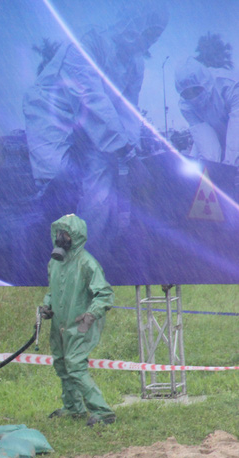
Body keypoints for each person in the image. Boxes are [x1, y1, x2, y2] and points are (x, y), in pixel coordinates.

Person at [23, 3, 168, 231]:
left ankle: (93, 255)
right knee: (61, 179)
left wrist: (131, 152)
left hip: (95, 125)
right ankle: (46, 244)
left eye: (157, 36)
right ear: (134, 24)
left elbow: (128, 110)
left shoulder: (136, 64)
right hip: (53, 113)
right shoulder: (89, 44)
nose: (153, 41)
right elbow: (89, 100)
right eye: (151, 33)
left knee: (102, 188)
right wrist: (128, 156)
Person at [39, 214, 116, 427]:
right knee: (62, 364)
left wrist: (91, 315)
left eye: (66, 234)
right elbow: (52, 291)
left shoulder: (87, 263)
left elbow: (105, 293)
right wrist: (47, 306)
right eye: (58, 233)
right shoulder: (54, 264)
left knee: (75, 364)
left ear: (76, 236)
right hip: (60, 325)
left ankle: (103, 411)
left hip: (81, 324)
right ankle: (73, 407)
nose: (61, 238)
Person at [175, 57, 239, 166]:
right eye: (187, 94)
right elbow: (206, 141)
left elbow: (236, 127)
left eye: (196, 90)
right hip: (220, 136)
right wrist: (213, 167)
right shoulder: (186, 106)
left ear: (206, 83)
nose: (193, 97)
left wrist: (230, 164)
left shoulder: (229, 85)